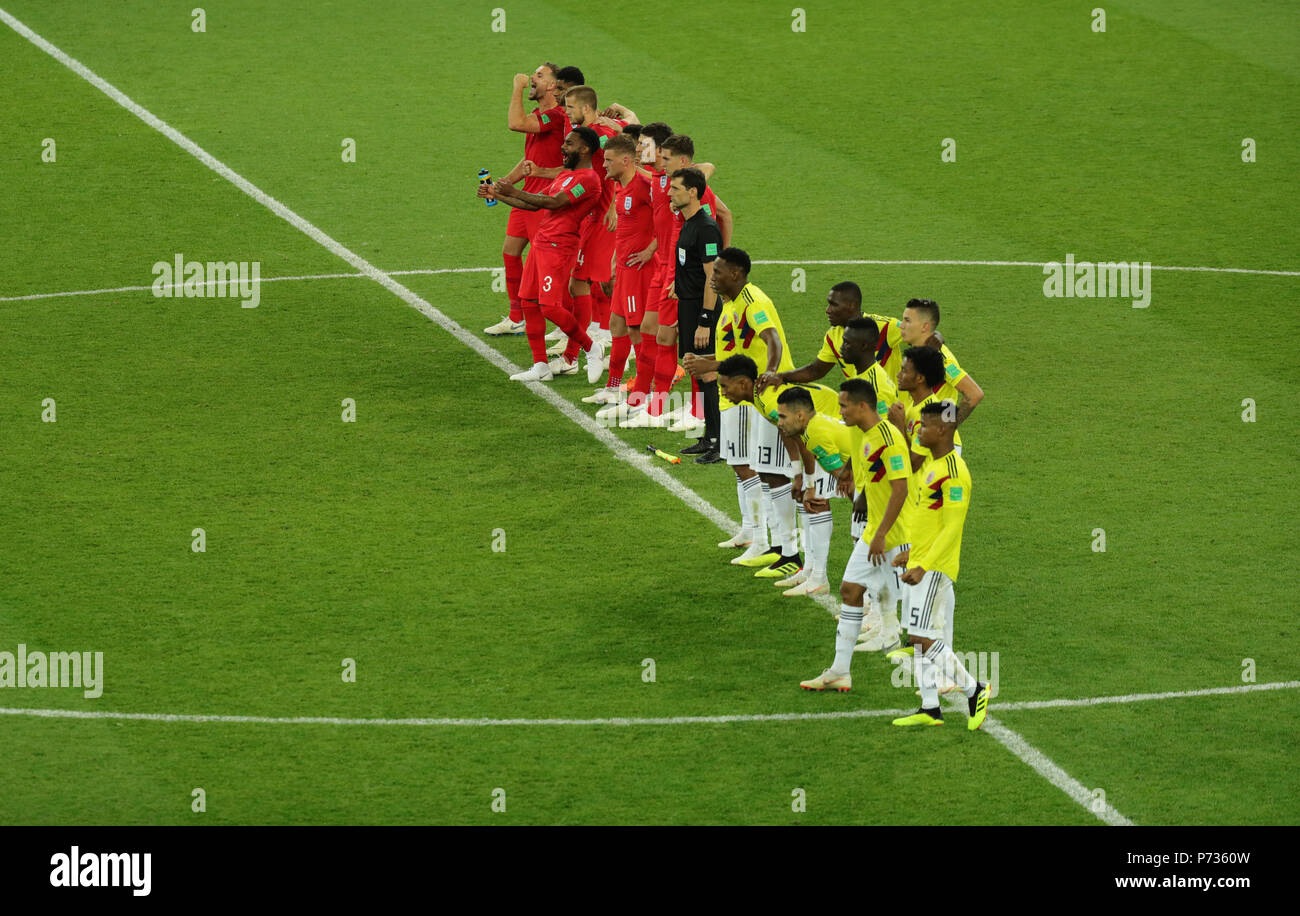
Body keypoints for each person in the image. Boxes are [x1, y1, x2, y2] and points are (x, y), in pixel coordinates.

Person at [799, 377, 911, 691]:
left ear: (863, 406)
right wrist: (854, 487)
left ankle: (958, 685)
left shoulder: (888, 439)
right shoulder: (864, 436)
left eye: (844, 406)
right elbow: (871, 477)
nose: (840, 411)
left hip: (896, 533)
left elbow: (901, 489)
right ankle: (840, 670)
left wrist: (881, 533)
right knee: (851, 590)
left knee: (923, 615)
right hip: (878, 530)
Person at [684, 248, 796, 551]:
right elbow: (734, 350)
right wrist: (706, 361)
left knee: (750, 466)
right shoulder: (731, 303)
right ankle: (750, 531)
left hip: (751, 394)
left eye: (718, 272)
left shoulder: (753, 301)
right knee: (739, 463)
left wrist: (771, 372)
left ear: (736, 273)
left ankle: (764, 541)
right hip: (734, 392)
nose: (713, 278)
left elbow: (772, 339)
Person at [890, 404, 990, 730]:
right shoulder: (933, 466)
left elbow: (952, 527)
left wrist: (924, 565)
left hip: (935, 567)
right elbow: (927, 520)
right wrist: (911, 554)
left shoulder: (955, 472)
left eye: (925, 427)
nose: (919, 431)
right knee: (919, 635)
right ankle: (930, 706)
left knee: (920, 636)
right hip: (921, 560)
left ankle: (974, 689)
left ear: (944, 430)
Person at [480, 128, 607, 383]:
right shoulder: (564, 177)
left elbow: (556, 203)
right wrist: (499, 195)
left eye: (569, 144)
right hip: (541, 243)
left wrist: (513, 191)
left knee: (549, 306)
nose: (563, 148)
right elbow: (535, 202)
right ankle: (541, 365)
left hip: (559, 247)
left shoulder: (590, 179)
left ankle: (591, 347)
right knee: (528, 302)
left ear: (584, 149)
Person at [623, 168, 721, 432]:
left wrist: (705, 319)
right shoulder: (686, 222)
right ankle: (695, 416)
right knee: (690, 360)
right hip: (686, 302)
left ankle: (705, 421)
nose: (669, 192)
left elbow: (713, 278)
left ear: (692, 193)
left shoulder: (706, 228)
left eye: (675, 188)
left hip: (701, 308)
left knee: (703, 366)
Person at [715, 356, 816, 582]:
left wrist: (805, 478)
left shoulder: (768, 401)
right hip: (821, 432)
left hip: (834, 435)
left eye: (724, 386)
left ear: (743, 384)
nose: (721, 392)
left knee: (814, 498)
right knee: (778, 479)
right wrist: (797, 469)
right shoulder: (761, 401)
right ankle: (795, 558)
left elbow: (804, 442)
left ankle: (808, 567)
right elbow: (786, 431)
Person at [485, 64, 566, 337]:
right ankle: (516, 316)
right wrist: (505, 184)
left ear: (553, 87)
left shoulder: (556, 116)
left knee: (547, 264)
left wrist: (518, 87)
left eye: (539, 76)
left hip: (544, 200)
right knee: (510, 252)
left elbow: (514, 124)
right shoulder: (538, 115)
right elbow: (529, 159)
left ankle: (564, 321)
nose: (532, 78)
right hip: (525, 195)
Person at [582, 133, 656, 406]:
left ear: (626, 160)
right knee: (616, 324)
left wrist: (650, 251)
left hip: (641, 269)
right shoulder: (620, 186)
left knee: (636, 330)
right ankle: (613, 389)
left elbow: (672, 218)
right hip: (624, 267)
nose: (604, 166)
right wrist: (614, 259)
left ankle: (644, 391)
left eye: (609, 161)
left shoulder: (646, 184)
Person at [773, 386, 857, 596]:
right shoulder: (814, 428)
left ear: (800, 415)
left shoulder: (815, 433)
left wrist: (863, 507)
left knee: (866, 538)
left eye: (783, 417)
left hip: (879, 480)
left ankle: (876, 607)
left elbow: (846, 478)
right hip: (872, 476)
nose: (779, 422)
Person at [896, 298, 984, 429]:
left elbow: (974, 394)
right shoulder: (917, 353)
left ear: (925, 326)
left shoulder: (941, 359)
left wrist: (948, 428)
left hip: (934, 442)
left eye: (907, 320)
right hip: (916, 433)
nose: (901, 325)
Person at [887, 345, 961, 468]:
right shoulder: (913, 405)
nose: (898, 375)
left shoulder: (928, 417)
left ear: (920, 378)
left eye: (904, 370)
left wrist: (899, 425)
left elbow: (913, 463)